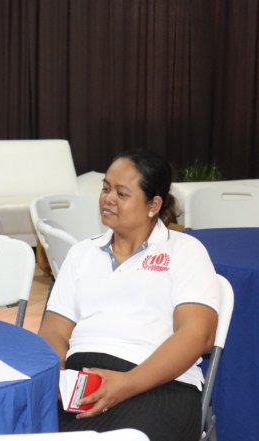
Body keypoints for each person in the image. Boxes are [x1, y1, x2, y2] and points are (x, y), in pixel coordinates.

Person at [38, 148, 220, 441]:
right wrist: (60, 379)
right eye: (106, 189)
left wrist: (127, 383)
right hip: (84, 383)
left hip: (161, 385)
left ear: (153, 204)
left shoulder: (185, 251)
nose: (107, 199)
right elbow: (54, 332)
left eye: (121, 194)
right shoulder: (82, 253)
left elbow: (197, 335)